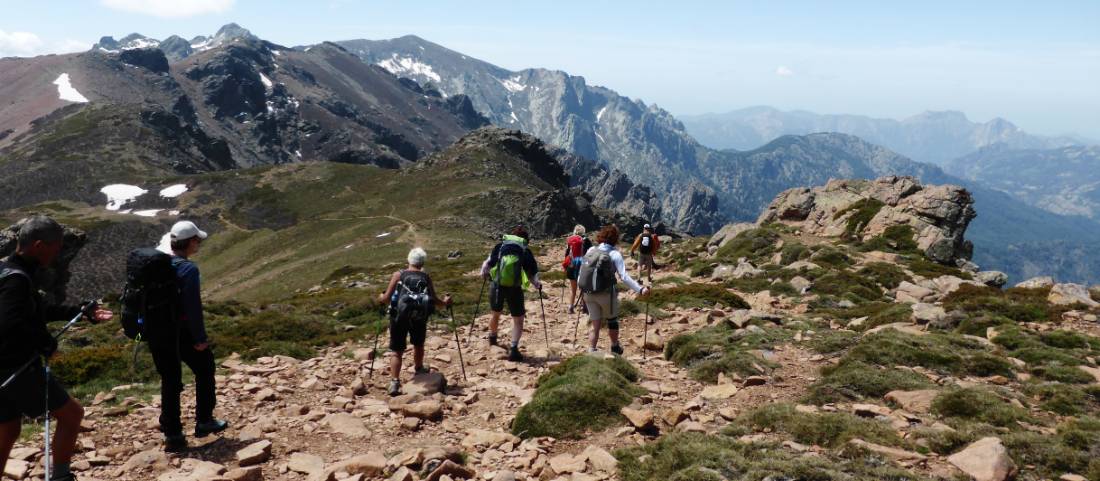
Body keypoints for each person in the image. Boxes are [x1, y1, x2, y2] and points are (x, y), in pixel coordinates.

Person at [1, 215, 113, 481]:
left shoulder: (7, 271)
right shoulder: (19, 280)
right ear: (39, 245)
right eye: (56, 246)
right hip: (19, 368)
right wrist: (44, 343)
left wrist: (79, 311)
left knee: (7, 427)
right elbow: (9, 323)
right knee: (72, 415)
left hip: (3, 370)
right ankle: (61, 477)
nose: (58, 251)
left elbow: (35, 311)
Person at [149, 221, 227, 452]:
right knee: (205, 368)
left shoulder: (156, 264)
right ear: (191, 242)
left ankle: (172, 433)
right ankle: (204, 421)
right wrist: (200, 339)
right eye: (198, 241)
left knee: (170, 379)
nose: (199, 244)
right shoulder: (188, 269)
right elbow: (192, 308)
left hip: (156, 332)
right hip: (181, 332)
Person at [377, 247, 453, 396]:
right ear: (422, 262)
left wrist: (380, 297)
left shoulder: (398, 275)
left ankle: (394, 382)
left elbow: (386, 299)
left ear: (409, 260)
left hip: (398, 317)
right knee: (418, 344)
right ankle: (419, 368)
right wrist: (446, 302)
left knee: (397, 351)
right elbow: (435, 300)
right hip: (419, 316)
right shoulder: (425, 276)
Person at [583, 224, 649, 355]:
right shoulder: (615, 254)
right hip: (607, 293)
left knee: (595, 323)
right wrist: (640, 289)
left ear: (601, 236)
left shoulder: (590, 250)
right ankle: (614, 347)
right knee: (612, 321)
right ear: (615, 239)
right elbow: (624, 277)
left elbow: (582, 272)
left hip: (588, 293)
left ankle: (591, 350)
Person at [480, 226, 540, 362]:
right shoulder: (525, 250)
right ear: (525, 239)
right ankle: (513, 349)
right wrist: (537, 284)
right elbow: (532, 272)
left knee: (496, 313)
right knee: (518, 319)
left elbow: (488, 264)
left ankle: (492, 338)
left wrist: (484, 275)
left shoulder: (501, 246)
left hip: (497, 285)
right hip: (515, 288)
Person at [561, 225, 592, 314]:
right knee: (584, 288)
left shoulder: (570, 241)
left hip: (571, 266)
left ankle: (571, 307)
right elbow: (590, 254)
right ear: (583, 231)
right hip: (582, 266)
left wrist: (566, 266)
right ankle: (584, 307)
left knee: (573, 290)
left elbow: (567, 254)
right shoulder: (587, 241)